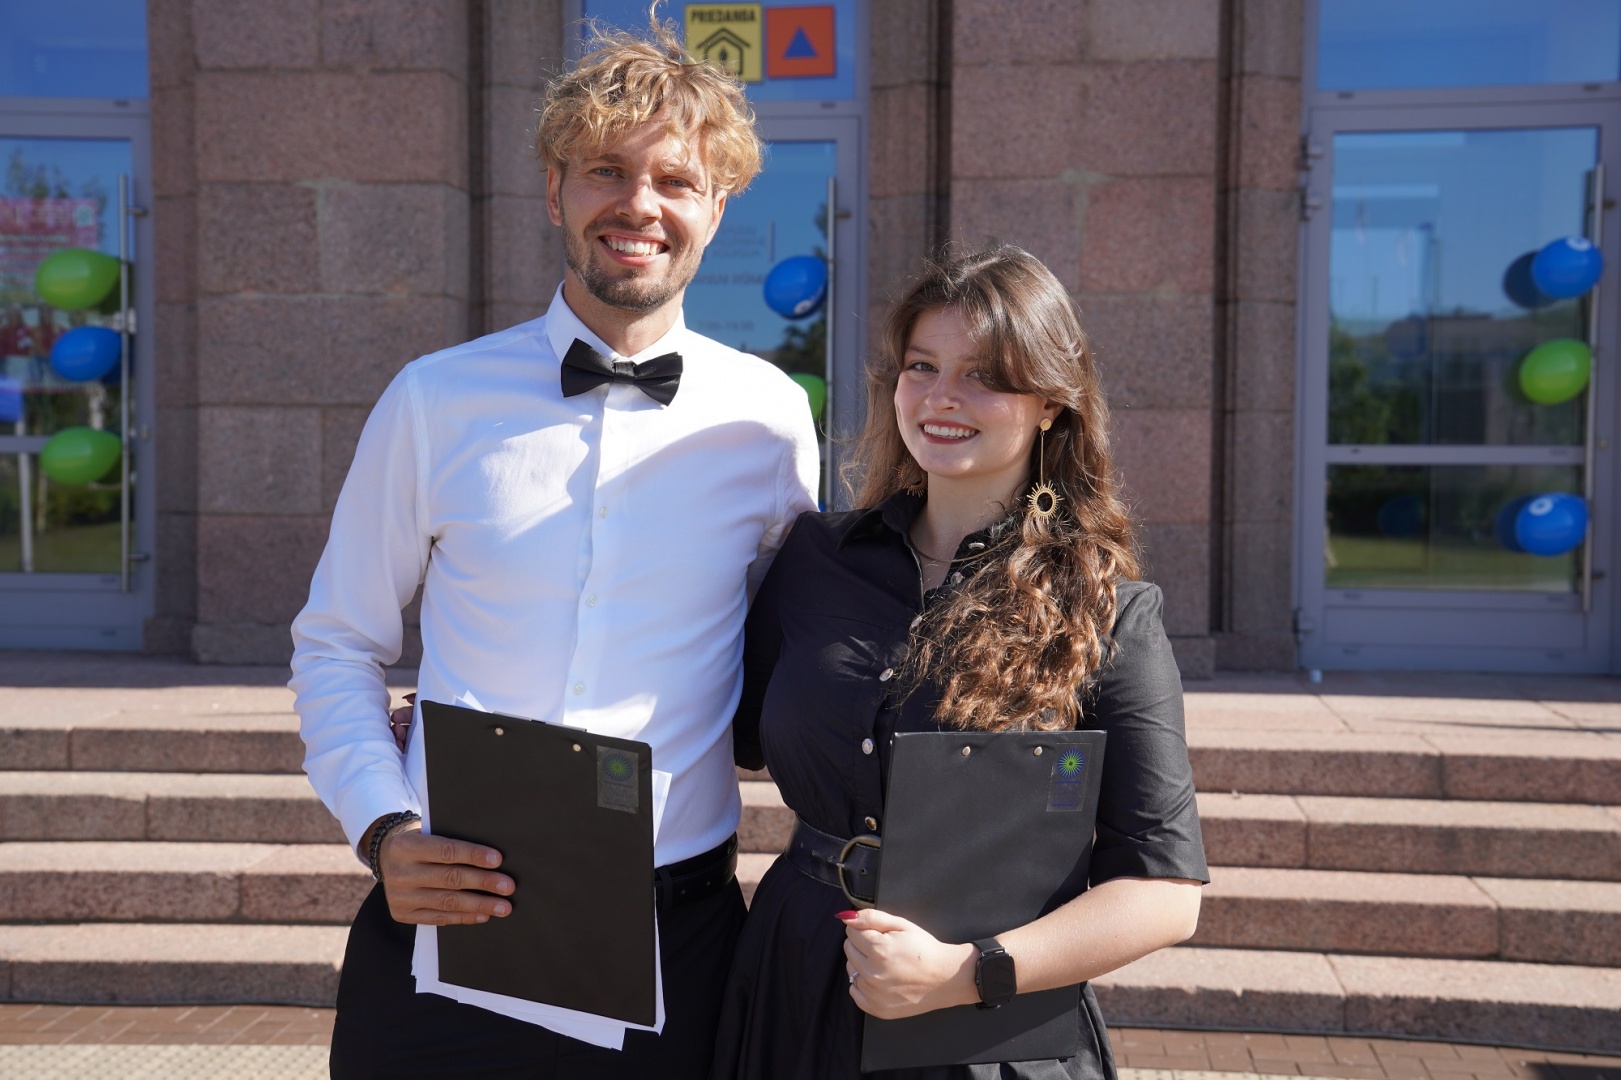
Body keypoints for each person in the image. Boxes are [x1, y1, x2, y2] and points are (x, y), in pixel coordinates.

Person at [288, 20, 818, 1080]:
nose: (640, 205)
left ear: (716, 207)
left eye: (676, 180)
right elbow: (337, 641)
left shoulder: (768, 421)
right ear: (554, 190)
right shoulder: (434, 399)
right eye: (606, 171)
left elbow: (790, 655)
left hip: (678, 939)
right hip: (449, 917)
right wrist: (383, 829)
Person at [712, 247, 1209, 1080]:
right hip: (798, 975)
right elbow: (719, 730)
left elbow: (1163, 893)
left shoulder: (1107, 608)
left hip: (982, 1020)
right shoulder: (813, 559)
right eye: (922, 366)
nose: (942, 397)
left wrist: (969, 974)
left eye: (983, 375)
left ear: (1050, 402)